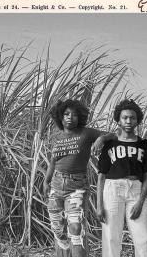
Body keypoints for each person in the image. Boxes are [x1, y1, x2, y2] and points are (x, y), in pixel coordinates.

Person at [43, 99, 114, 257]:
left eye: (75, 115)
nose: (70, 117)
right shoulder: (57, 137)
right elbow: (53, 162)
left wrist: (101, 139)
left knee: (76, 228)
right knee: (57, 228)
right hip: (56, 184)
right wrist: (46, 181)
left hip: (76, 187)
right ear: (60, 117)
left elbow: (113, 135)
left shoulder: (86, 132)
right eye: (66, 114)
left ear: (80, 117)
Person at [96, 99, 147, 257]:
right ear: (119, 120)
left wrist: (141, 201)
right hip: (112, 189)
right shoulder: (111, 144)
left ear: (137, 120)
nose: (128, 121)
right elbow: (101, 175)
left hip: (136, 189)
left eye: (132, 118)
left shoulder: (144, 144)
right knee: (111, 236)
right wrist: (99, 204)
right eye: (125, 118)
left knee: (143, 236)